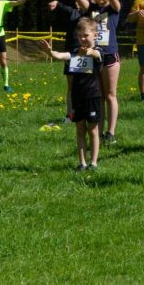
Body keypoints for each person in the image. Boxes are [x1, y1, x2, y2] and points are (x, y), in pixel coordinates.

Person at [39, 17, 103, 171]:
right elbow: (61, 55)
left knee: (93, 129)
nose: (82, 38)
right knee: (80, 129)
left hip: (92, 96)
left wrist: (88, 51)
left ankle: (93, 162)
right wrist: (50, 52)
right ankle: (82, 163)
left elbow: (95, 54)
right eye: (80, 35)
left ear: (95, 35)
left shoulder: (99, 51)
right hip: (77, 97)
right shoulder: (75, 52)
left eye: (86, 35)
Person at [65, 0, 122, 144]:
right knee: (99, 96)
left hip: (110, 55)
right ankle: (99, 129)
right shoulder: (91, 9)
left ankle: (110, 133)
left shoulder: (113, 8)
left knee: (111, 95)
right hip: (94, 56)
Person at [49, 0, 91, 122]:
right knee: (71, 85)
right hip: (71, 53)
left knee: (85, 84)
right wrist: (56, 2)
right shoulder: (73, 12)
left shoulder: (90, 13)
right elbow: (64, 7)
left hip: (85, 52)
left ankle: (86, 112)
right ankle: (70, 115)